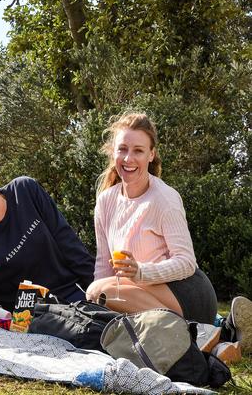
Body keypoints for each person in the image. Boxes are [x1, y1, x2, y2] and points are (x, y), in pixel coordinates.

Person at [86, 112, 218, 325]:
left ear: (151, 154)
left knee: (104, 293)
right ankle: (213, 333)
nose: (128, 159)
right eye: (122, 149)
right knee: (95, 293)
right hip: (139, 295)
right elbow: (104, 265)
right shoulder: (105, 202)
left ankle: (196, 332)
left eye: (138, 150)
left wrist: (140, 271)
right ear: (113, 153)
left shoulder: (165, 199)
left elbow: (187, 263)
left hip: (187, 295)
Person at [0, 156, 95, 313]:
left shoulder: (24, 190)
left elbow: (67, 240)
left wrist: (96, 288)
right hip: (31, 316)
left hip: (71, 294)